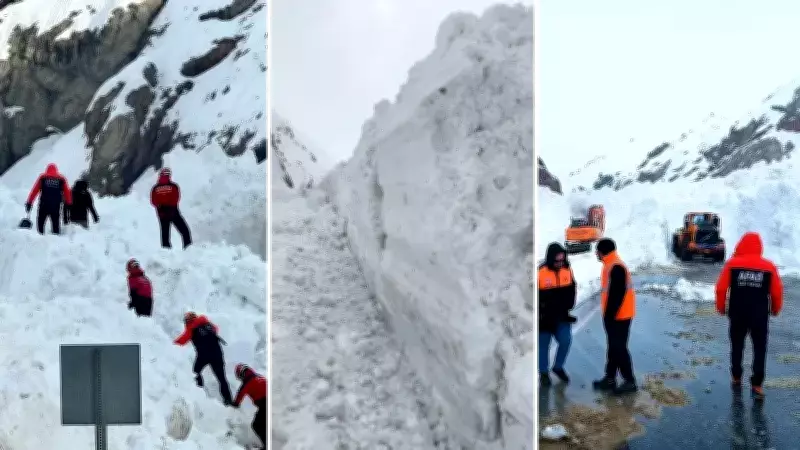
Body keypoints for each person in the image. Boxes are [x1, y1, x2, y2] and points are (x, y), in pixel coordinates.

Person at [715, 232, 783, 400]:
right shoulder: (769, 267)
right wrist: (775, 309)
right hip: (759, 316)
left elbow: (721, 288)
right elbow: (777, 292)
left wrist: (721, 307)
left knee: (737, 345)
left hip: (737, 313)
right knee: (760, 348)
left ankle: (736, 377)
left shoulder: (732, 264)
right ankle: (757, 384)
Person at [592, 238, 638, 394]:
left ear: (602, 251)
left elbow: (616, 296)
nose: (595, 253)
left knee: (619, 348)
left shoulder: (616, 266)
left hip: (620, 316)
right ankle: (610, 378)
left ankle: (629, 381)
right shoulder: (611, 264)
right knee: (613, 347)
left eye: (597, 251)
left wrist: (609, 316)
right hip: (616, 315)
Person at [537, 242, 577, 386]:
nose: (560, 263)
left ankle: (558, 367)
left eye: (562, 259)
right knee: (543, 346)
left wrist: (569, 304)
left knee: (566, 341)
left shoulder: (567, 270)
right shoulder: (540, 273)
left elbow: (573, 288)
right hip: (544, 319)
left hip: (561, 317)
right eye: (557, 260)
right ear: (550, 258)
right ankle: (543, 373)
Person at [174, 311, 233, 405]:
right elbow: (216, 329)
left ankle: (199, 391)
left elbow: (182, 340)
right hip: (217, 354)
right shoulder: (207, 323)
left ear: (188, 320)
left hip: (204, 356)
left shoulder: (191, 327)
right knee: (222, 378)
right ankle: (228, 400)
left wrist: (170, 344)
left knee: (195, 372)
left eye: (186, 320)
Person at [25, 163, 72, 235]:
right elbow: (67, 192)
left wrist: (29, 202)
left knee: (41, 222)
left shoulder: (43, 177)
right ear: (56, 170)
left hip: (44, 205)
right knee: (55, 223)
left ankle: (40, 235)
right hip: (56, 206)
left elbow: (34, 191)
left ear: (47, 170)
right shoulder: (61, 179)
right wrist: (69, 203)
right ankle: (56, 237)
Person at [150, 167, 192, 249]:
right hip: (173, 212)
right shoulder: (173, 186)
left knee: (165, 235)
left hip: (162, 214)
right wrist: (170, 207)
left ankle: (166, 253)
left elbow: (153, 201)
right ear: (169, 176)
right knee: (185, 231)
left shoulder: (155, 188)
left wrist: (161, 207)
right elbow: (176, 198)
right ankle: (188, 248)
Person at [232, 364, 267, 449]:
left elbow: (238, 398)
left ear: (241, 374)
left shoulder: (247, 381)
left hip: (265, 403)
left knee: (257, 425)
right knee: (264, 424)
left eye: (239, 377)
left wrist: (233, 404)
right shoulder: (260, 377)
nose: (240, 380)